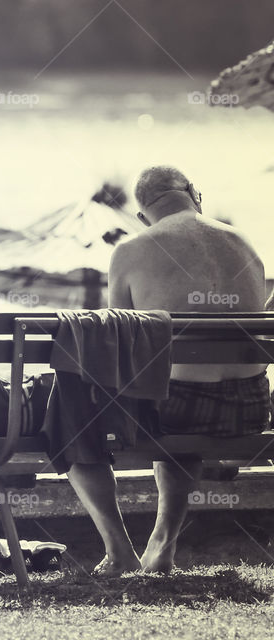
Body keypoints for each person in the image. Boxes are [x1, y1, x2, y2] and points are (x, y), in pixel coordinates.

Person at [69, 165, 269, 575]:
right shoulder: (246, 244)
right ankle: (162, 543)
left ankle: (119, 550)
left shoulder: (130, 250)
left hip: (177, 410)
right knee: (173, 391)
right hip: (251, 409)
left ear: (143, 216)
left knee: (67, 414)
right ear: (195, 193)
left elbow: (120, 350)